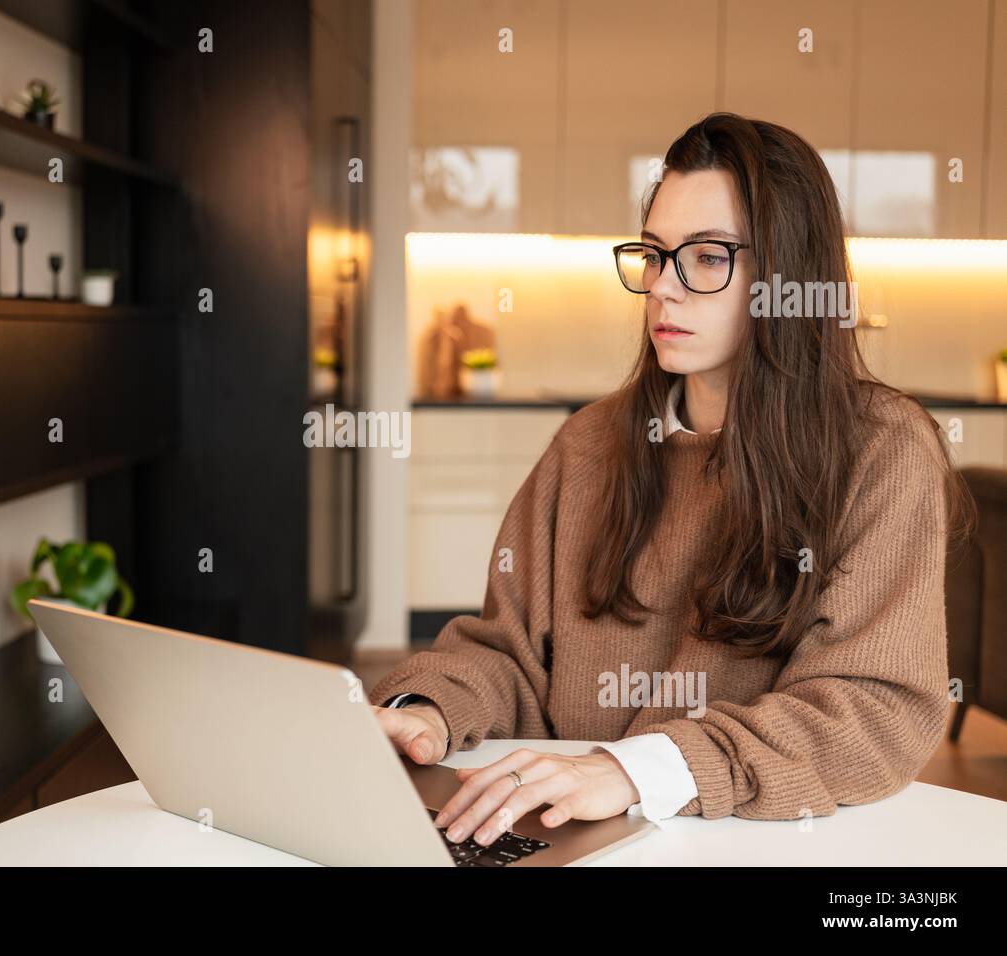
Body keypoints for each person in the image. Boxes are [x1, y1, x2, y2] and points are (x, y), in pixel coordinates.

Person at [370, 112, 974, 849]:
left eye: (709, 257)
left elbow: (871, 713)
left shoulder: (881, 450)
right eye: (655, 255)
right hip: (572, 835)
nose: (664, 288)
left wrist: (635, 770)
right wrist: (427, 708)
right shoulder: (589, 444)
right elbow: (508, 653)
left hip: (758, 846)